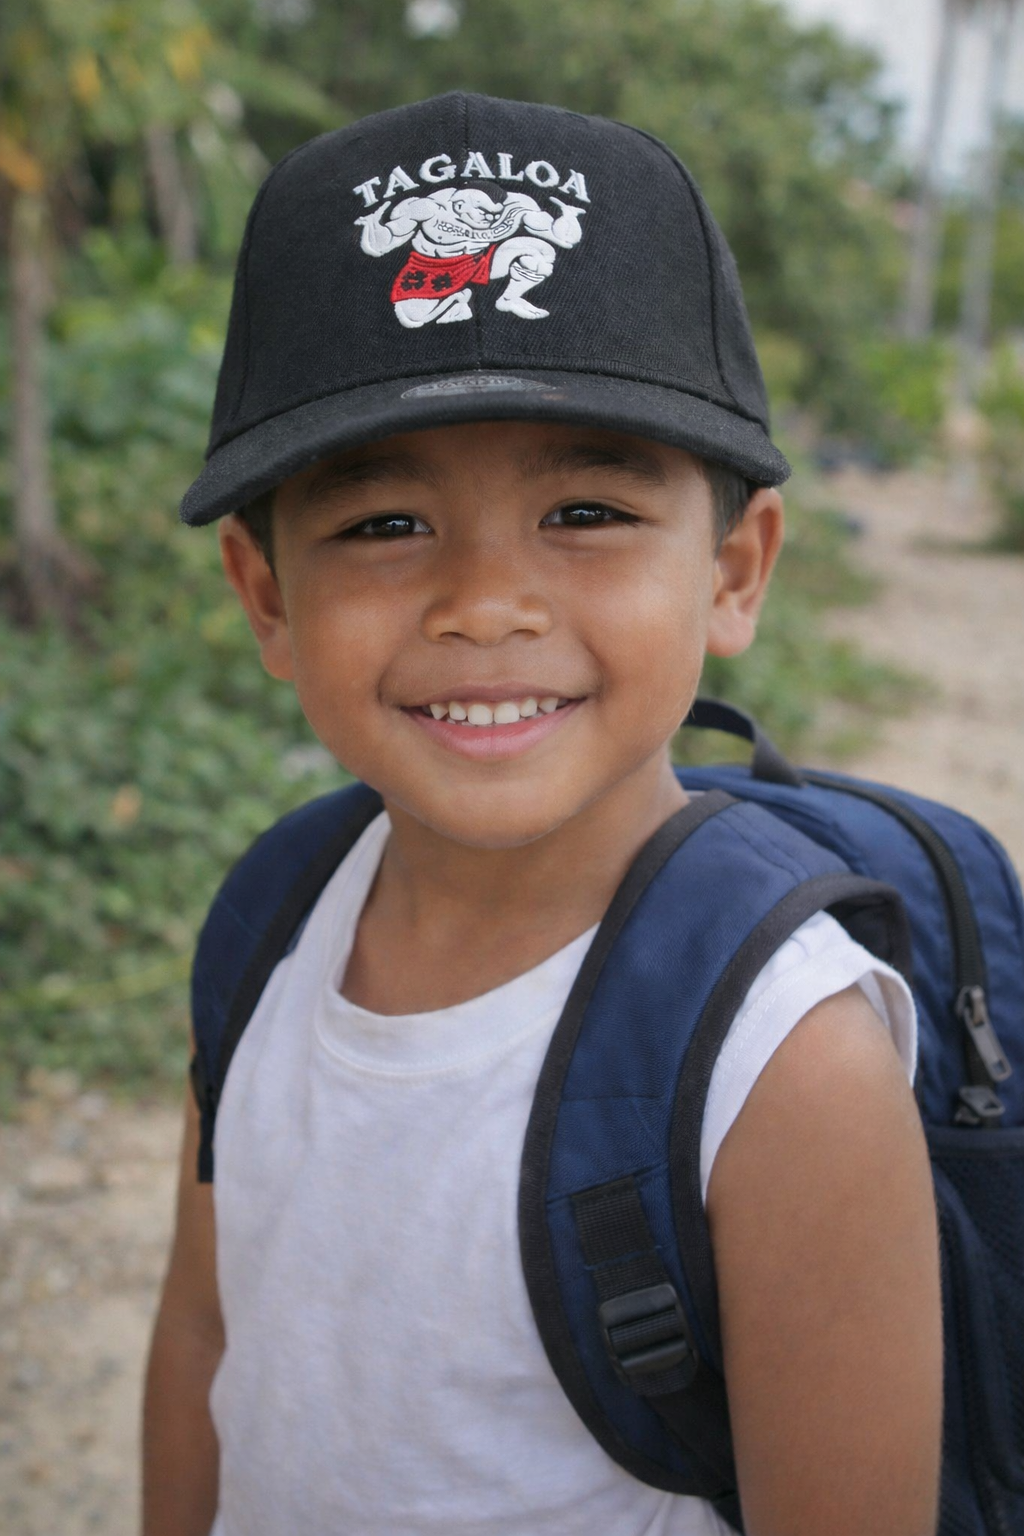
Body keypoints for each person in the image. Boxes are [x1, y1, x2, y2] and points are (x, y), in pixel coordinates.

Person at [142, 92, 943, 1536]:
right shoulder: (271, 917)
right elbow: (207, 1340)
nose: (485, 604)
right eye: (385, 524)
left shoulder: (789, 1057)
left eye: (586, 511)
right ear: (268, 595)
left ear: (734, 571)